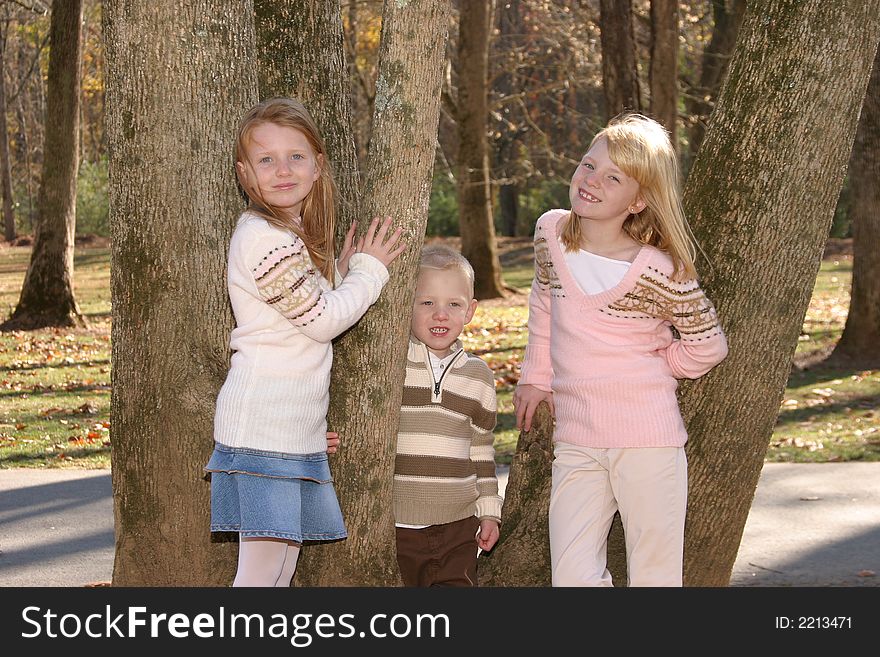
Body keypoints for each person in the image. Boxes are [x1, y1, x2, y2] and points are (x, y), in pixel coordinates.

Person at [513, 113, 729, 587]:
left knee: (655, 573)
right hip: (577, 437)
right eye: (589, 165)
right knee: (571, 574)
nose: (591, 181)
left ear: (638, 201)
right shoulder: (550, 233)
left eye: (613, 178)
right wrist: (534, 376)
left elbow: (708, 346)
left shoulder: (659, 271)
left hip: (647, 440)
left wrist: (661, 366)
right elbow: (544, 299)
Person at [204, 97, 406, 587]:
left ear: (318, 165)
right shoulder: (265, 238)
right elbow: (320, 321)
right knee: (260, 572)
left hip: (286, 424)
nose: (283, 170)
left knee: (281, 564)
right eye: (265, 160)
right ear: (245, 175)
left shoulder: (286, 234)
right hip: (263, 425)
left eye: (296, 156)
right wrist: (370, 271)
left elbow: (297, 312)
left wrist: (338, 270)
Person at [393, 244, 503, 587]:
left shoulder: (478, 376)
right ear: (405, 302)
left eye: (453, 304)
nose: (440, 314)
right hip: (396, 525)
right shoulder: (392, 366)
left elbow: (482, 452)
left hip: (458, 525)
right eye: (427, 302)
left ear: (469, 310)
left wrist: (489, 513)